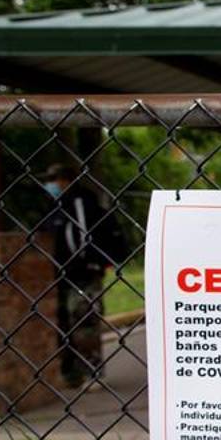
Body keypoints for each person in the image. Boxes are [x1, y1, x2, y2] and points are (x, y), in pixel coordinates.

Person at [42, 163, 128, 387]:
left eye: (55, 179)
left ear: (66, 180)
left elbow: (82, 237)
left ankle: (91, 373)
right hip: (62, 274)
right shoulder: (57, 205)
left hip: (83, 271)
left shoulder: (81, 202)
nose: (52, 184)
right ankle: (71, 374)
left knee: (84, 319)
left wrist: (85, 261)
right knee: (65, 323)